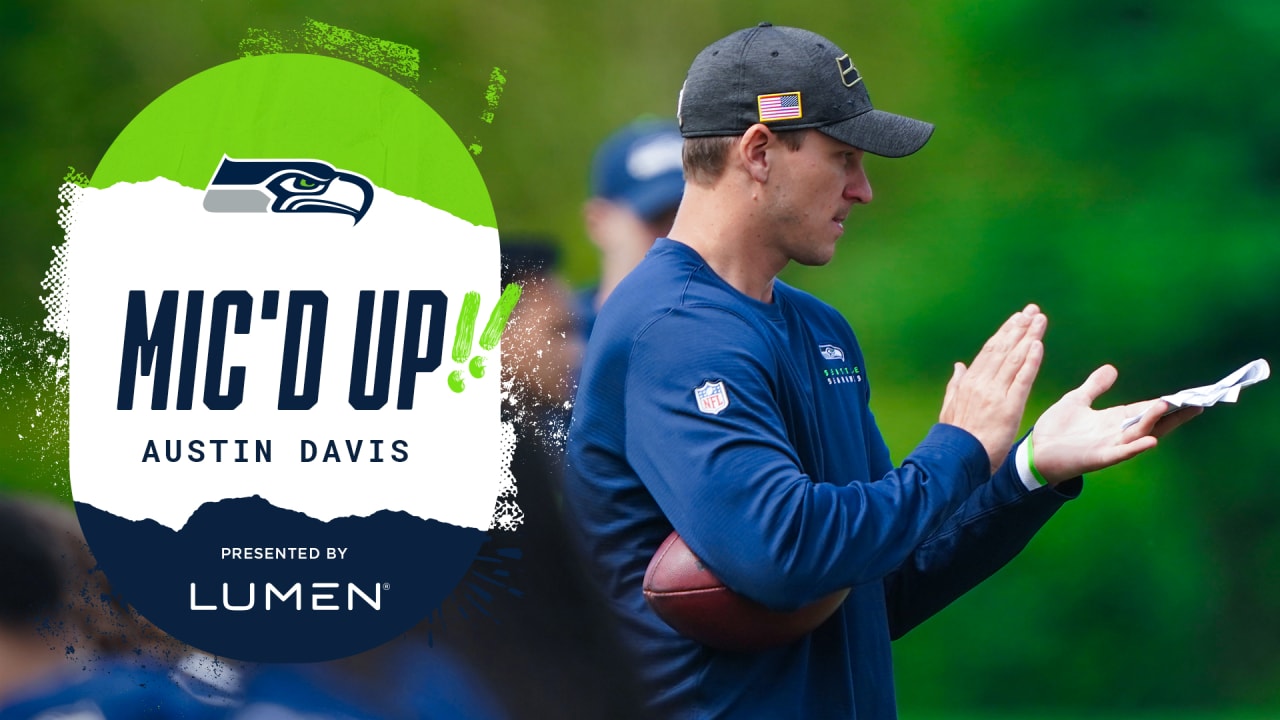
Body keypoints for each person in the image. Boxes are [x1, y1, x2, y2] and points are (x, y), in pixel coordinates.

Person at [564, 23, 1201, 719]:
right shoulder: (673, 330)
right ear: (758, 151)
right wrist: (957, 448)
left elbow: (880, 585)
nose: (863, 190)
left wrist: (1028, 471)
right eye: (842, 158)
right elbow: (784, 553)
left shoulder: (820, 331)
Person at [580, 119, 686, 335]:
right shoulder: (557, 340)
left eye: (691, 217)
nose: (681, 235)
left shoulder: (735, 329)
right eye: (658, 218)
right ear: (598, 223)